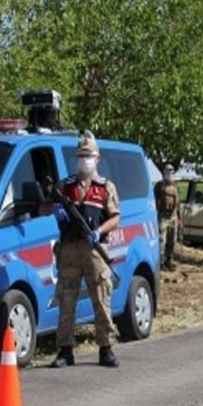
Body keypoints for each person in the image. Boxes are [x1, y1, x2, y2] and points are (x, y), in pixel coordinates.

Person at [46, 132, 122, 368]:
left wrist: (98, 232)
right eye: (81, 156)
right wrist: (54, 208)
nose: (84, 160)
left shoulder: (105, 187)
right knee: (67, 298)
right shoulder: (65, 186)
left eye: (88, 155)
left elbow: (115, 217)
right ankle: (65, 349)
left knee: (101, 296)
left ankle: (106, 348)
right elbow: (44, 206)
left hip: (94, 249)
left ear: (97, 158)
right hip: (69, 248)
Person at [154, 163, 180, 271]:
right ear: (164, 173)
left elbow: (178, 203)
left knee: (172, 239)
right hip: (162, 216)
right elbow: (154, 200)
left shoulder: (175, 186)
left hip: (173, 216)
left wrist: (179, 218)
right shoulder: (159, 185)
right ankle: (160, 262)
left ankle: (169, 260)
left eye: (171, 171)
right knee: (161, 240)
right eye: (167, 171)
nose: (169, 173)